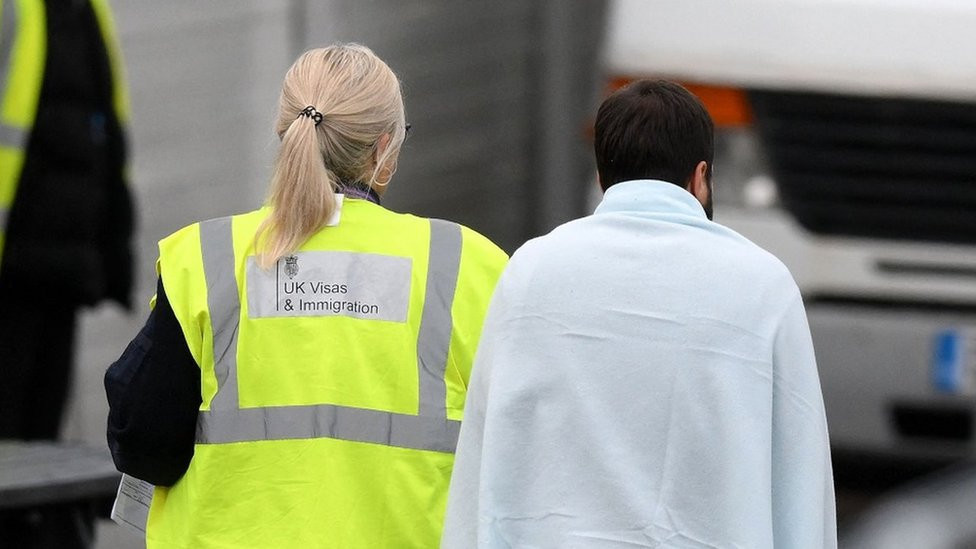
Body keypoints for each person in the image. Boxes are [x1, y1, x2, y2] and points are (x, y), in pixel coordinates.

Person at [104, 44, 508, 549]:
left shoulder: (204, 257)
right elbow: (519, 451)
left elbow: (143, 445)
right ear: (385, 146)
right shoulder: (469, 263)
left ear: (284, 132)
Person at [441, 80, 837, 548]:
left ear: (602, 174)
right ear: (701, 175)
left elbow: (483, 458)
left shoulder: (532, 270)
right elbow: (801, 482)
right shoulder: (764, 285)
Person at [0, 0, 133, 547]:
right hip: (14, 268)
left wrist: (108, 251)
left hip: (59, 268)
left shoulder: (86, 9)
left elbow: (105, 130)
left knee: (42, 450)